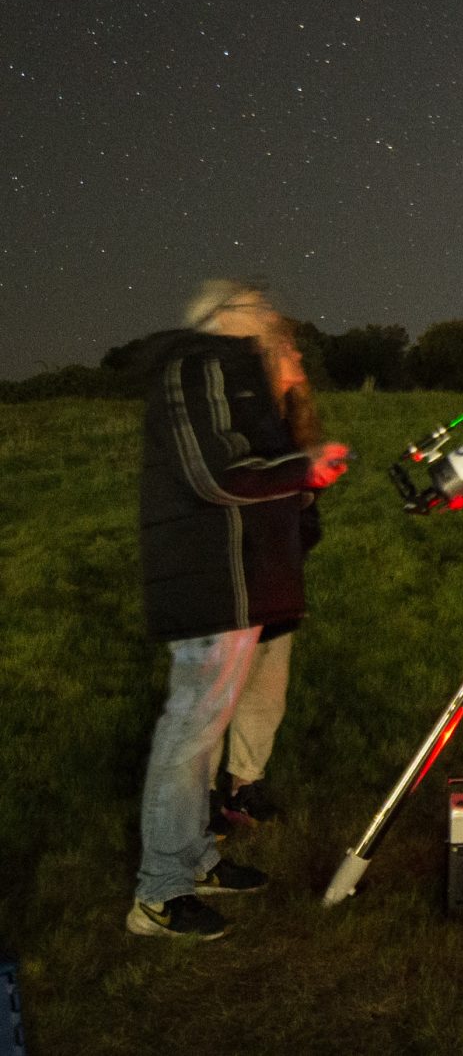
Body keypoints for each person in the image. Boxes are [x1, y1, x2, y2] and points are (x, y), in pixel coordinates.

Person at [131, 280, 350, 940]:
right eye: (261, 308)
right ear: (224, 316)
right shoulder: (195, 364)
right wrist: (302, 466)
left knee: (203, 734)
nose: (274, 319)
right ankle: (158, 894)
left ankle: (195, 857)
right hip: (209, 582)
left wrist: (300, 481)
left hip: (241, 584)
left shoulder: (230, 373)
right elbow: (212, 473)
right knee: (190, 735)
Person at [211, 307, 328, 832]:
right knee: (219, 696)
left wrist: (305, 513)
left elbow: (303, 504)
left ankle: (244, 783)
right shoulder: (233, 419)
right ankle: (205, 796)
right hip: (235, 583)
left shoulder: (290, 423)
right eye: (288, 349)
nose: (299, 357)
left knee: (266, 694)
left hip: (280, 580)